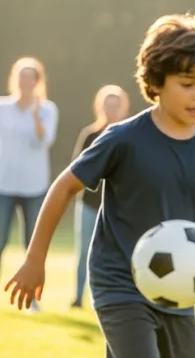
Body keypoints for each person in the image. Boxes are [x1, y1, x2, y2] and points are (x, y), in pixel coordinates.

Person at [3, 13, 195, 358]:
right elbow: (64, 187)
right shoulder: (123, 139)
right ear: (156, 81)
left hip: (179, 288)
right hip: (119, 282)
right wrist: (35, 260)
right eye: (187, 83)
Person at [0, 58, 59, 314]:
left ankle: (32, 300)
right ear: (14, 79)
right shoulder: (0, 108)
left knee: (32, 247)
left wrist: (35, 114)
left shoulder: (47, 110)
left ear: (37, 82)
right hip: (2, 187)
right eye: (21, 76)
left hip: (34, 189)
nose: (25, 82)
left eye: (30, 77)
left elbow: (45, 140)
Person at [70, 84, 130, 309]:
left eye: (116, 105)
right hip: (88, 204)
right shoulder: (90, 135)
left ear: (123, 108)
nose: (111, 109)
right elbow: (76, 170)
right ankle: (78, 297)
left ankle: (115, 299)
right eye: (107, 104)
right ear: (100, 107)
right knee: (84, 251)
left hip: (119, 207)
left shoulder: (129, 137)